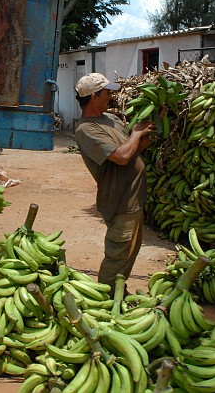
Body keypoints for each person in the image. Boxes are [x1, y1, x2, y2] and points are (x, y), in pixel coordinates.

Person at [73, 72, 156, 295]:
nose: (111, 95)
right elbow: (121, 156)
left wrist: (144, 135)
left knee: (130, 250)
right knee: (118, 254)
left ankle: (119, 289)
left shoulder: (112, 120)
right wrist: (136, 134)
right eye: (107, 92)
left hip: (133, 197)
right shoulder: (87, 129)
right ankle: (105, 297)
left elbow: (132, 149)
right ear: (94, 96)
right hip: (119, 199)